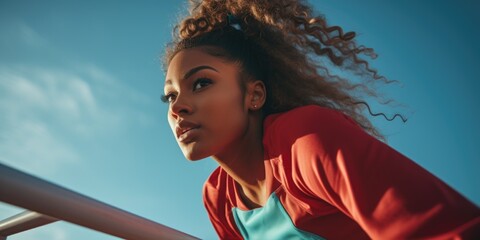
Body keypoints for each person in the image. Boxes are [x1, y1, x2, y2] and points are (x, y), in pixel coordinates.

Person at [162, 0, 480, 239]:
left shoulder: (307, 140)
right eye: (170, 96)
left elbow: (451, 231)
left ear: (253, 96)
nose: (179, 107)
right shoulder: (218, 199)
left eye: (201, 83)